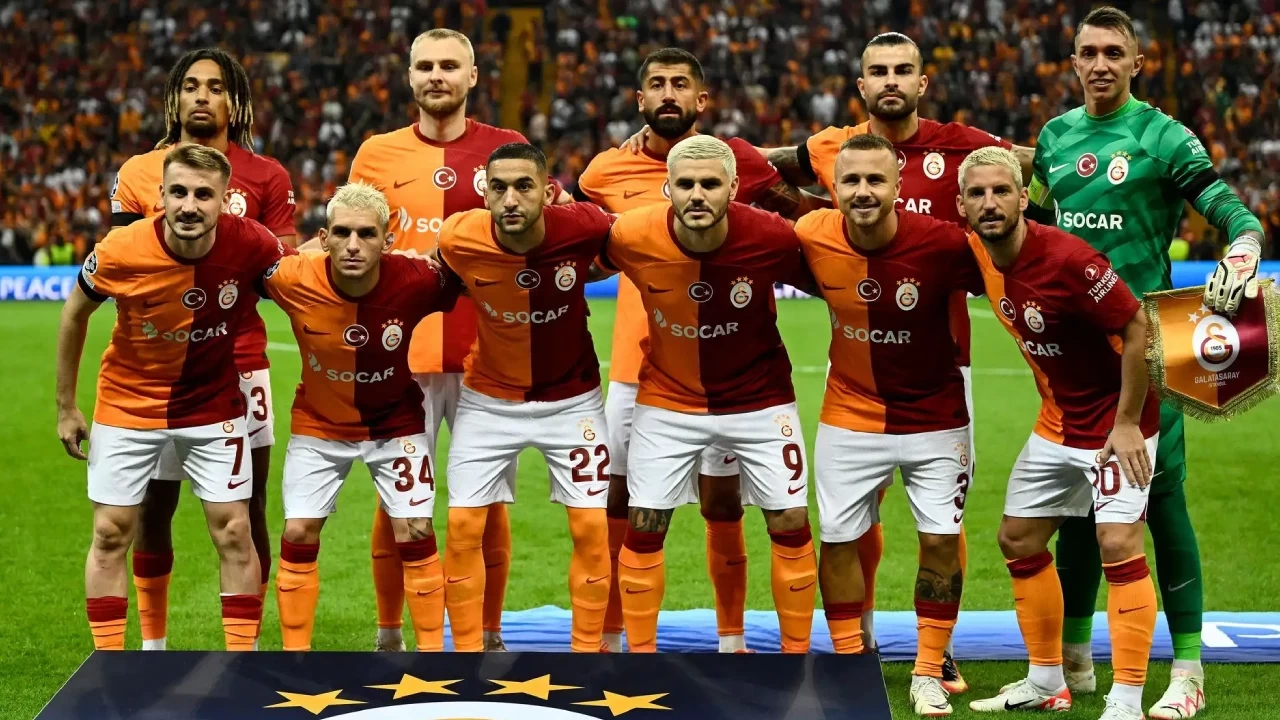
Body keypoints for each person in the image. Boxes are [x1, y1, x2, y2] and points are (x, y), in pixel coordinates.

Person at [763, 32, 1036, 687]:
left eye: (903, 70)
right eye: (879, 71)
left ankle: (938, 650)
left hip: (945, 365)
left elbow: (1037, 166)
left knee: (942, 520)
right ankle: (858, 640)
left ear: (922, 82)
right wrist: (680, 151)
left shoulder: (964, 146)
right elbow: (766, 168)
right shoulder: (832, 147)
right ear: (860, 84)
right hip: (857, 365)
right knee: (852, 517)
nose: (891, 80)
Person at [1024, 8, 1266, 715]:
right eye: (1088, 52)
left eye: (1113, 52)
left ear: (1137, 63)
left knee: (1160, 502)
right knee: (1077, 507)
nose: (1100, 64)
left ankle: (1188, 672)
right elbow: (1035, 231)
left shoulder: (1163, 137)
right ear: (1073, 61)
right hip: (1071, 360)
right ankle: (1074, 664)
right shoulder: (1054, 138)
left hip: (1150, 348)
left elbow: (1236, 215)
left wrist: (1243, 252)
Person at [576, 47, 822, 654]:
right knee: (622, 503)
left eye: (680, 84)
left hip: (741, 375)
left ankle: (732, 638)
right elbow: (581, 246)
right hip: (640, 369)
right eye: (657, 84)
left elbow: (807, 224)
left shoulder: (739, 161)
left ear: (700, 99)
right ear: (639, 98)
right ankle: (614, 639)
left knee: (722, 502)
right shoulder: (603, 172)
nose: (669, 94)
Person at [344, 28, 566, 652]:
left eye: (449, 65)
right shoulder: (375, 155)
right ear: (410, 77)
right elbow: (349, 239)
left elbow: (556, 221)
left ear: (472, 76)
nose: (436, 75)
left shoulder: (508, 150)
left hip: (487, 358)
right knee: (396, 501)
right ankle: (390, 636)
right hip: (398, 357)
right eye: (425, 66)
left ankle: (488, 634)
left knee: (487, 503)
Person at [56, 144, 290, 651]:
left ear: (225, 200)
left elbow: (305, 286)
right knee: (111, 531)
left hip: (213, 405)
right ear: (160, 195)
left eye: (203, 195)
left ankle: (241, 663)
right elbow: (74, 313)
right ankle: (115, 664)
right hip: (127, 403)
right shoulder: (121, 249)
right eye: (178, 192)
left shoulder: (253, 243)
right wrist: (66, 407)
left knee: (234, 529)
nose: (188, 205)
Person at [958, 147, 1158, 720]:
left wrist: (1126, 423)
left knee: (1117, 542)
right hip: (1058, 421)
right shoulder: (975, 250)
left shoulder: (1070, 260)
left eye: (1002, 191)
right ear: (962, 205)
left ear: (1024, 199)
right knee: (1018, 537)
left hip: (1119, 423)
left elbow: (1138, 326)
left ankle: (1126, 700)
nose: (990, 202)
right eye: (977, 193)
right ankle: (1047, 681)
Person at [109, 47, 297, 651]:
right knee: (152, 507)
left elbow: (283, 267)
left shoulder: (266, 175)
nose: (201, 96)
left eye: (215, 87)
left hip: (242, 362)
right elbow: (120, 267)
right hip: (155, 369)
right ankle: (153, 649)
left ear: (234, 101)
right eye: (191, 85)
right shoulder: (139, 172)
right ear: (174, 96)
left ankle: (251, 646)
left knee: (248, 508)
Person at [796, 133, 983, 716]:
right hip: (849, 414)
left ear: (899, 186)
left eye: (875, 180)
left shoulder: (946, 244)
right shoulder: (812, 234)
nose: (863, 191)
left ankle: (928, 669)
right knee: (838, 539)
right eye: (851, 180)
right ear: (833, 187)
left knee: (940, 539)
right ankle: (850, 662)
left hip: (936, 416)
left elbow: (1016, 268)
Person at [262, 182, 459, 652]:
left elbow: (474, 272)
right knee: (297, 531)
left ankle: (432, 658)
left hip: (395, 425)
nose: (353, 245)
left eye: (367, 234)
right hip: (319, 425)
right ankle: (296, 659)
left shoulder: (418, 280)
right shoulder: (290, 277)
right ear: (324, 237)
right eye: (342, 233)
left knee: (416, 529)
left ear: (387, 240)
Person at [435, 143, 614, 653]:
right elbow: (433, 277)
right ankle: (468, 653)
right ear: (484, 194)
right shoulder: (458, 235)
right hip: (487, 401)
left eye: (523, 186)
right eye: (499, 188)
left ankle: (586, 654)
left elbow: (628, 247)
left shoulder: (584, 225)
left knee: (591, 527)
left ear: (549, 193)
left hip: (573, 401)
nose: (510, 199)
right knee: (462, 526)